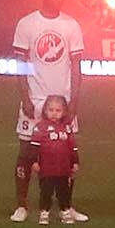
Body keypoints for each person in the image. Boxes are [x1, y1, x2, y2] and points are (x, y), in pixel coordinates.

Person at [8, 0, 87, 224]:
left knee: (65, 153)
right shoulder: (27, 24)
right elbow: (21, 64)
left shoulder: (71, 25)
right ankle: (21, 205)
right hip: (35, 98)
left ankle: (66, 206)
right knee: (26, 152)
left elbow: (76, 66)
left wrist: (73, 102)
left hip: (62, 102)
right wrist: (25, 98)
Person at [30, 91, 82, 221]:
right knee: (46, 191)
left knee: (63, 192)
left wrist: (75, 162)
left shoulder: (67, 128)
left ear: (64, 112)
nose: (54, 113)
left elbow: (72, 147)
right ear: (45, 111)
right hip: (46, 169)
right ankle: (44, 212)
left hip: (63, 169)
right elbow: (34, 147)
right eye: (51, 110)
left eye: (58, 110)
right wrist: (34, 162)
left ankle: (65, 211)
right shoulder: (40, 128)